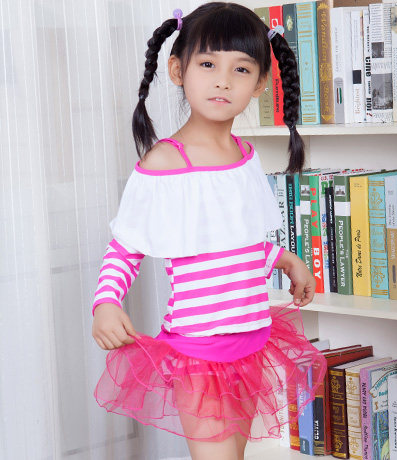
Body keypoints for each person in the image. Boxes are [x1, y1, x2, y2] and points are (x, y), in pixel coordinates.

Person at [91, 3, 326, 459]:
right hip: (199, 351)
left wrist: (283, 259)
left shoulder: (245, 156)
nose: (223, 81)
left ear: (260, 83)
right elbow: (125, 248)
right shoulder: (165, 162)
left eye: (241, 69)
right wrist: (105, 302)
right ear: (177, 70)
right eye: (207, 65)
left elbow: (233, 242)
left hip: (253, 340)